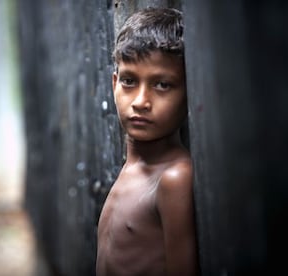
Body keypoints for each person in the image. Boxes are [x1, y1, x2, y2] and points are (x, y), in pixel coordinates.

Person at [96, 8, 198, 276]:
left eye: (162, 85)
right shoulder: (132, 167)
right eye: (129, 81)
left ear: (189, 91)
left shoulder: (174, 178)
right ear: (114, 83)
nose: (141, 101)